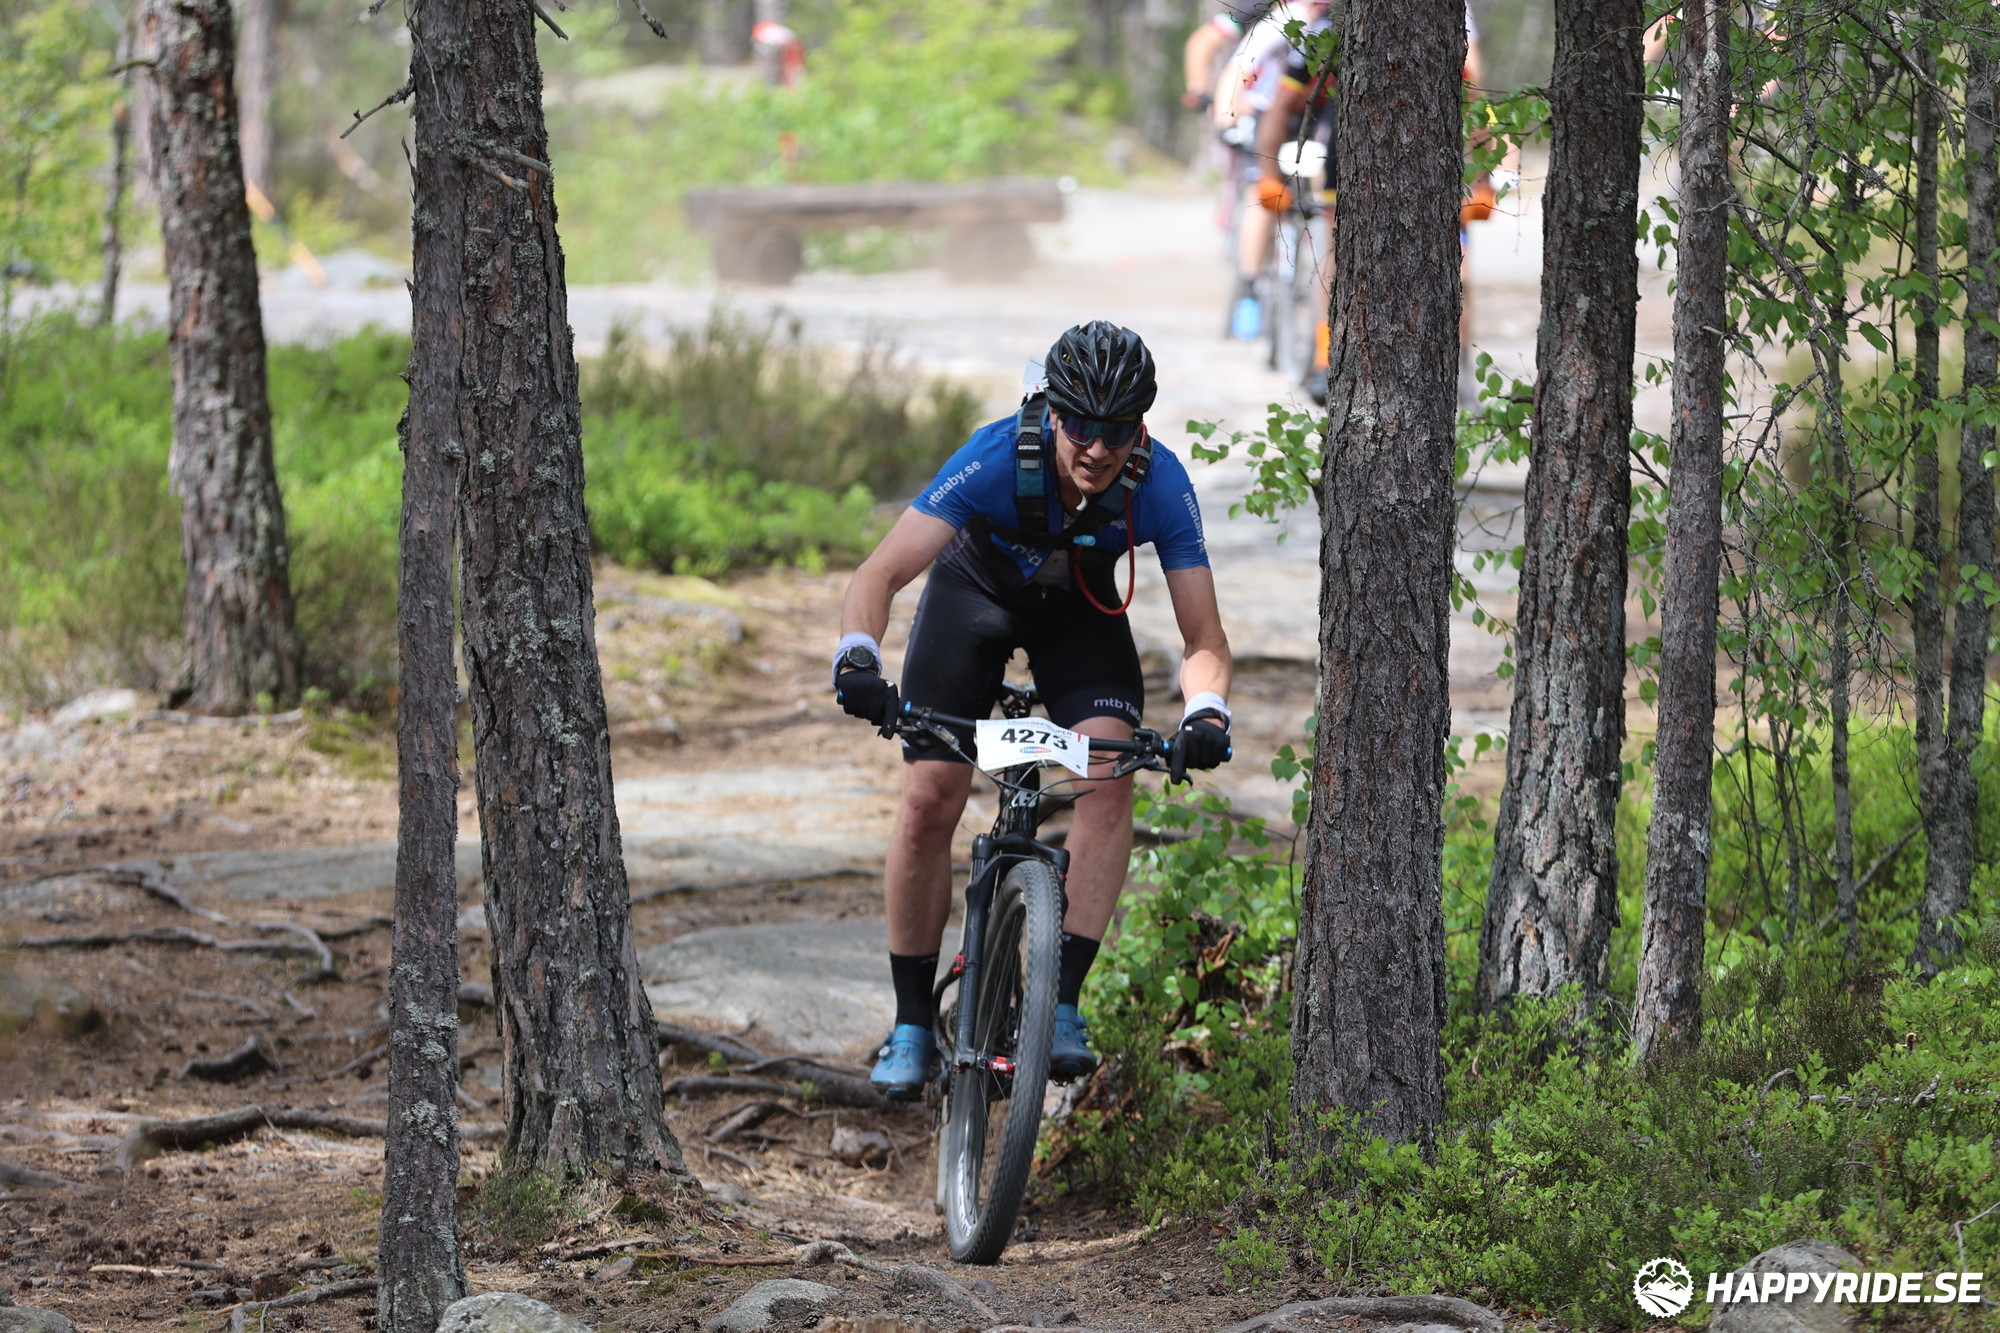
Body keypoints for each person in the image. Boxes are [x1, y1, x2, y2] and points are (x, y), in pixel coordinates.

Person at [832, 322, 1235, 1099]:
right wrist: (857, 655)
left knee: (1109, 776)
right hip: (972, 602)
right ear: (1052, 412)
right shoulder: (993, 458)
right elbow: (879, 573)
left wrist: (1207, 709)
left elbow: (1204, 636)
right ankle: (912, 1022)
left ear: (1140, 426)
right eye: (1080, 425)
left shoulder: (1158, 481)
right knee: (930, 796)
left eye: (1117, 429)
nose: (1097, 448)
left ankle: (1062, 1005)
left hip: (1079, 619)